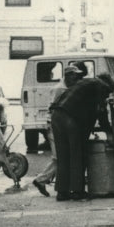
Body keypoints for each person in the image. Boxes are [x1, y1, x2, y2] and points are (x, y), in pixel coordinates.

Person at [49, 72, 114, 201]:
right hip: (70, 118)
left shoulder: (85, 82)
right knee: (77, 155)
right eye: (108, 93)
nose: (107, 95)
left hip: (57, 116)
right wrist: (109, 132)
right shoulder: (102, 86)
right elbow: (101, 111)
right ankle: (77, 191)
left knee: (63, 156)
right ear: (108, 85)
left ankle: (62, 192)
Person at [32, 62, 87, 197]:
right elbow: (55, 108)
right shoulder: (61, 90)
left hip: (55, 124)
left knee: (60, 157)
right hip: (54, 125)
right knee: (59, 158)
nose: (77, 80)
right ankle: (41, 180)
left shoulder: (64, 88)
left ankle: (44, 181)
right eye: (75, 77)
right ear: (68, 76)